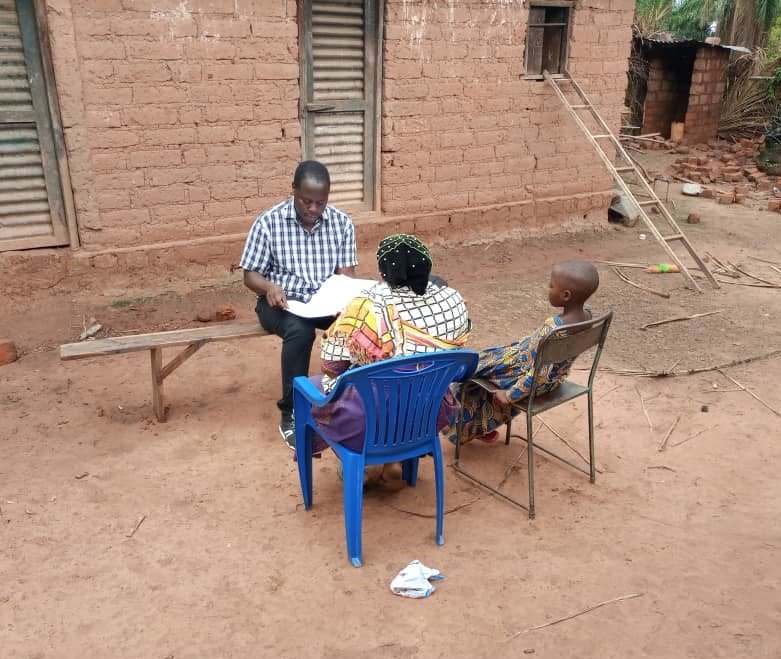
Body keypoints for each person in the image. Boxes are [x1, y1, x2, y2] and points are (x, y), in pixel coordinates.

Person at [307, 234, 470, 485]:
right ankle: (394, 462)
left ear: (384, 272)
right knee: (402, 377)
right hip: (429, 410)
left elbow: (331, 367)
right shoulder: (453, 299)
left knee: (322, 389)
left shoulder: (367, 305)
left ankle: (366, 466)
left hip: (374, 419)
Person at [240, 161, 357, 448]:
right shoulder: (268, 222)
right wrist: (269, 286)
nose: (314, 209)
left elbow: (347, 274)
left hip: (323, 301)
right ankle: (291, 412)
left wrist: (342, 297)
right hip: (279, 303)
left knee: (357, 324)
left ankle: (351, 401)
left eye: (320, 202)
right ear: (293, 191)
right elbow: (250, 275)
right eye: (307, 201)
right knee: (300, 332)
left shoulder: (342, 223)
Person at [447, 260, 599, 445]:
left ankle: (466, 427)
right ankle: (479, 426)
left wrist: (510, 395)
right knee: (485, 360)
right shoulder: (588, 318)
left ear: (566, 295)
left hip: (529, 379)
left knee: (470, 373)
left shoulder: (554, 328)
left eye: (551, 285)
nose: (548, 288)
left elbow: (538, 375)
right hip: (555, 378)